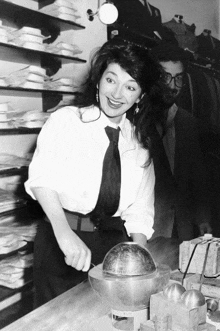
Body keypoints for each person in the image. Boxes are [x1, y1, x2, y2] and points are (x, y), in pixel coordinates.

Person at [24, 38, 161, 307]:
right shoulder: (67, 121)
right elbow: (42, 181)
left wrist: (141, 257)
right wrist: (64, 234)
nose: (117, 94)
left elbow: (140, 210)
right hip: (60, 237)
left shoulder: (140, 143)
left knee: (106, 322)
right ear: (98, 80)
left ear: (140, 96)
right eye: (111, 80)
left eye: (130, 87)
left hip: (113, 246)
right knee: (56, 325)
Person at [145, 42, 212, 241]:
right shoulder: (135, 118)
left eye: (178, 78)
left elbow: (196, 175)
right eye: (165, 77)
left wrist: (202, 218)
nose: (172, 86)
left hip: (180, 227)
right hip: (145, 229)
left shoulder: (188, 121)